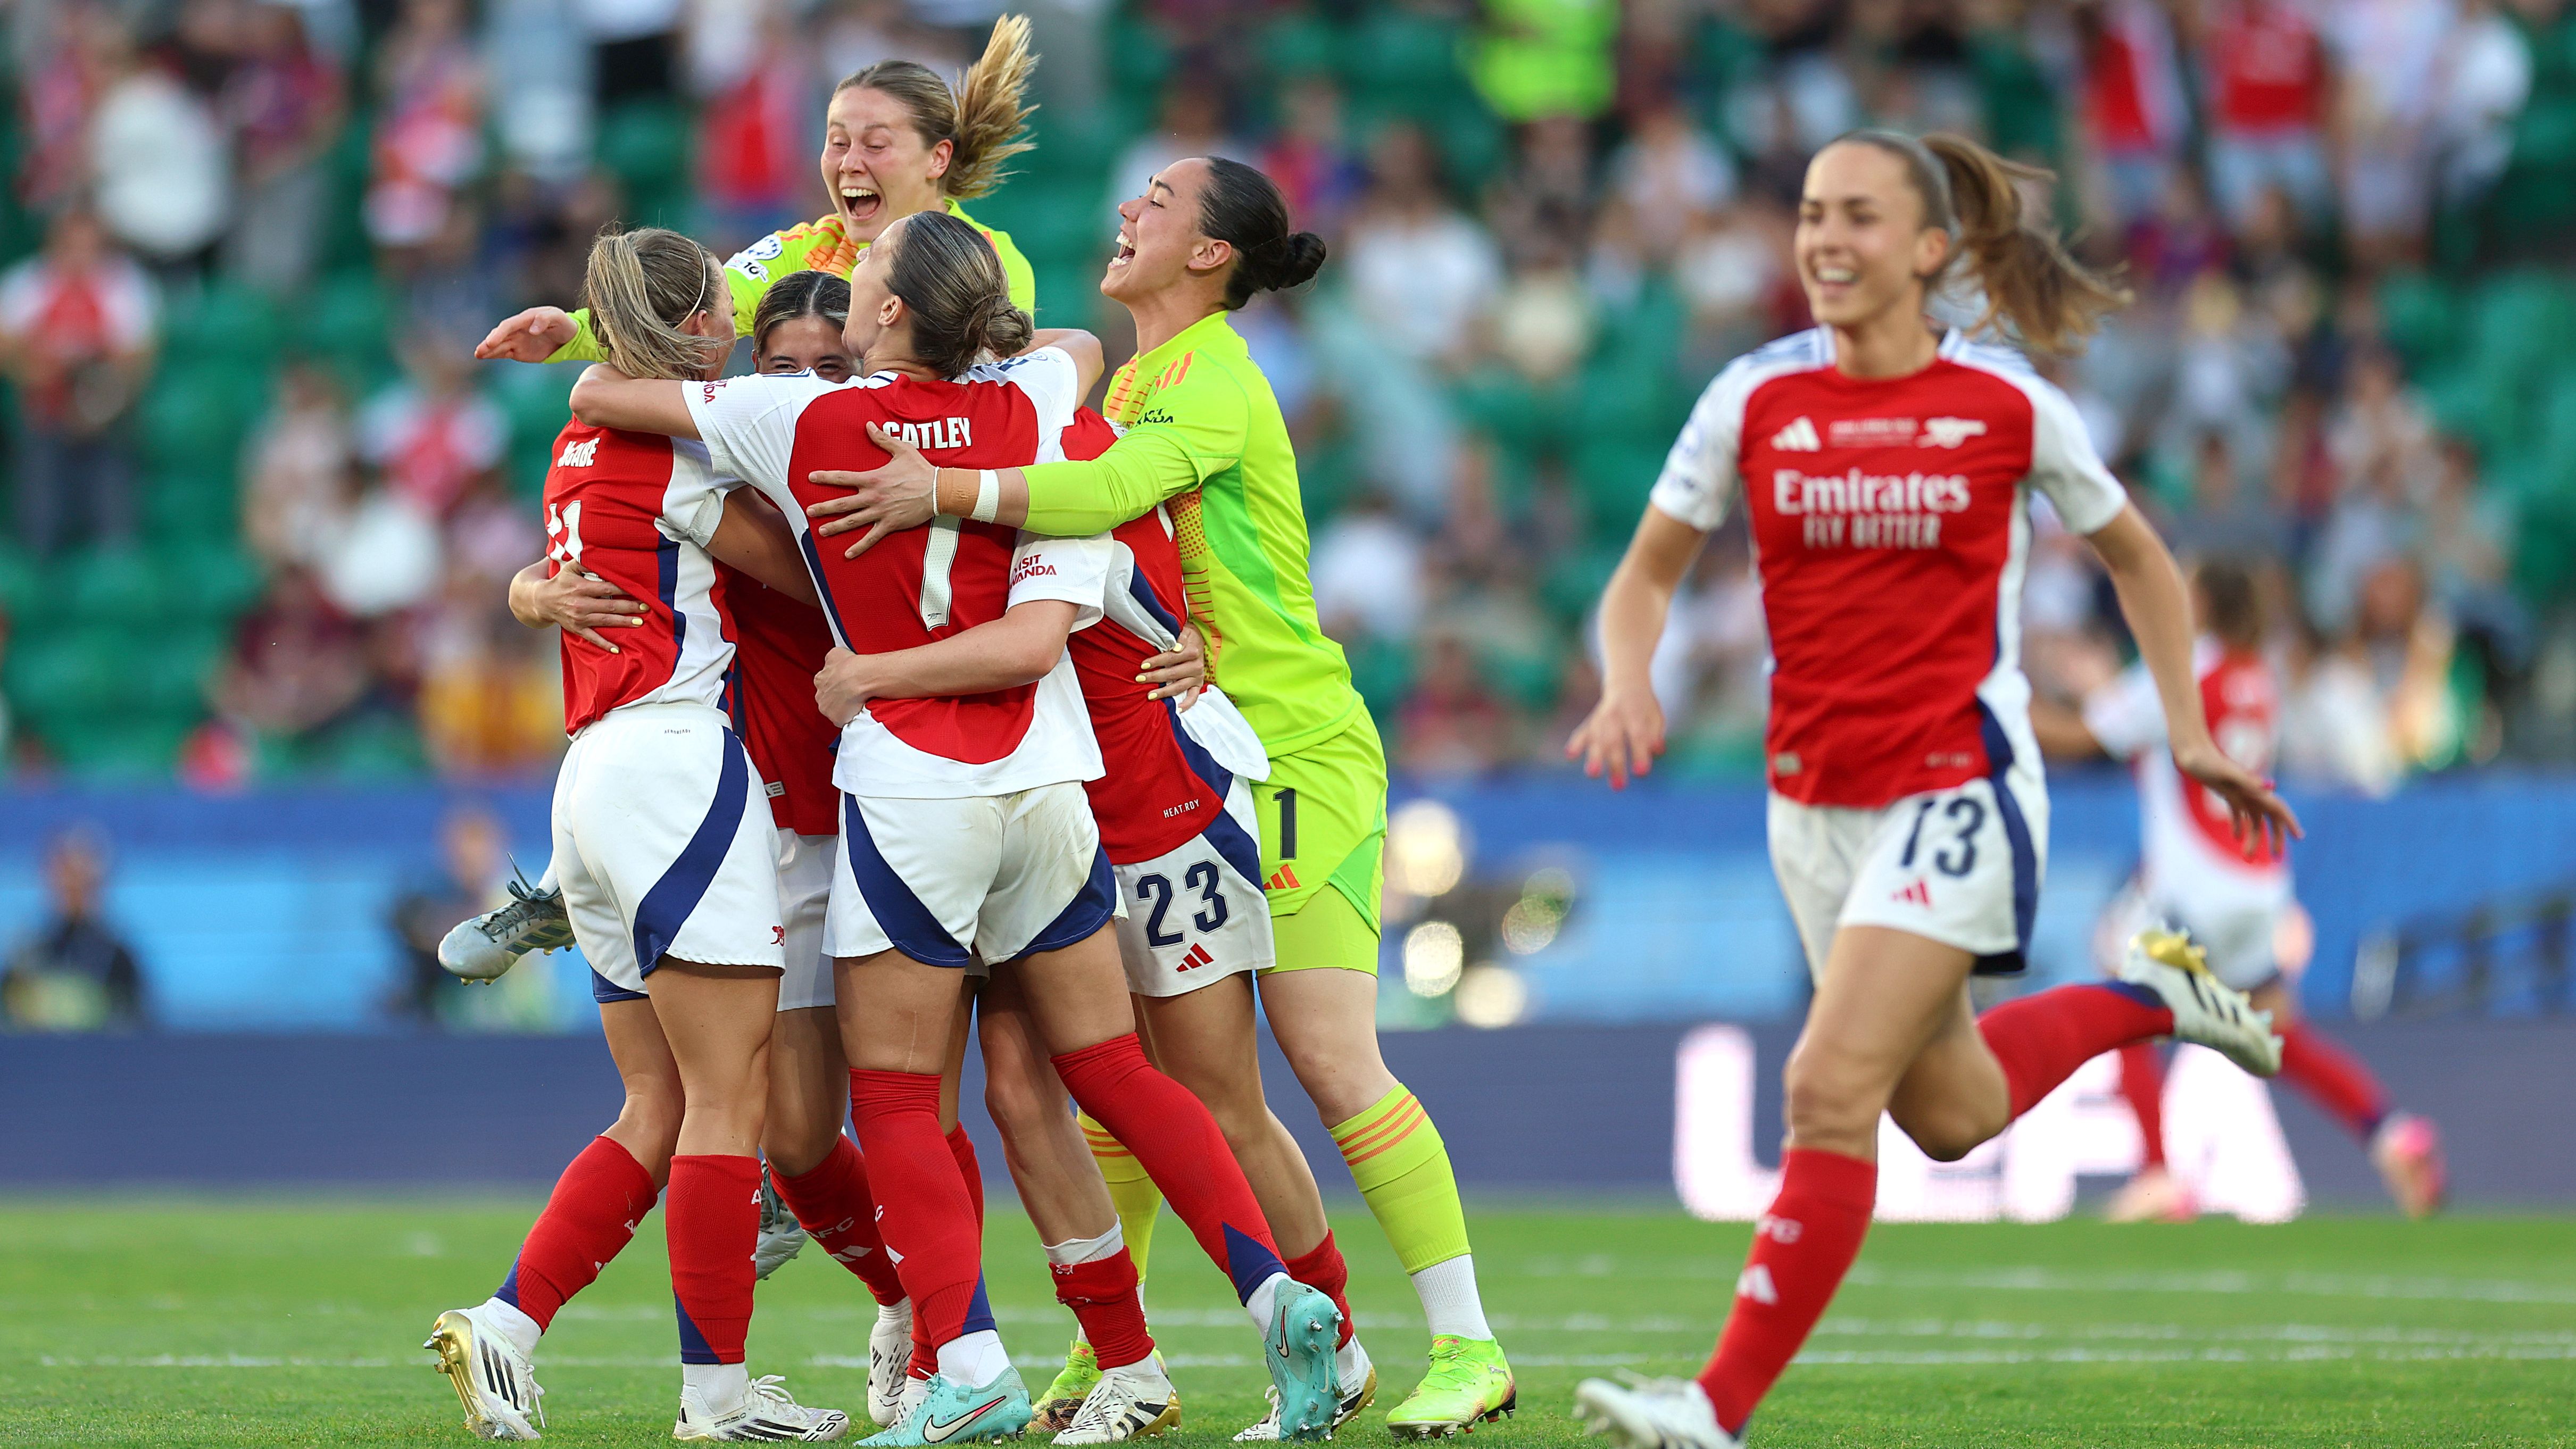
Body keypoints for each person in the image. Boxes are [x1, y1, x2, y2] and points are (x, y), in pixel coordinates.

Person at [1558, 130, 2304, 1449]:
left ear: (1926, 250)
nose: (1823, 240)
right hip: (1812, 803)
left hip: (1960, 780)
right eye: (1805, 214)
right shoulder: (1750, 398)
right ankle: (2162, 997)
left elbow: (2137, 559)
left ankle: (1710, 1410)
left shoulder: (2005, 405)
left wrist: (2182, 729)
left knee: (1824, 1089)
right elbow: (1642, 576)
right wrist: (1627, 676)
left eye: (1855, 215)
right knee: (1948, 1114)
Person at [565, 209, 1347, 1447]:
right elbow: (1075, 348)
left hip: (912, 794)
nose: (857, 266)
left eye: (871, 268)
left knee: (894, 1097)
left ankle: (966, 1364)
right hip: (1047, 785)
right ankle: (1277, 1297)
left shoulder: (800, 420)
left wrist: (604, 336)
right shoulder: (1031, 411)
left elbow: (617, 394)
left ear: (887, 314)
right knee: (1112, 1071)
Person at [802, 156, 1517, 1441]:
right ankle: (1141, 1353)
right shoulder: (1129, 377)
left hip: (1286, 751)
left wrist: (946, 487)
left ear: (1209, 254)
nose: (1128, 208)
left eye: (1161, 202)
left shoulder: (1217, 378)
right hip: (1180, 745)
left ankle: (1462, 1344)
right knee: (1147, 1072)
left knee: (1321, 1057)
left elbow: (1107, 494)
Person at [424, 226, 846, 1445]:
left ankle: (504, 1328)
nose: (731, 316)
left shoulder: (576, 444)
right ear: (698, 327)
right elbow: (806, 579)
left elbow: (561, 557)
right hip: (673, 764)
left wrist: (524, 590)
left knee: (653, 1105)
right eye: (719, 304)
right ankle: (716, 1403)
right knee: (732, 1096)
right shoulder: (676, 448)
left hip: (587, 786)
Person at [2031, 557, 2445, 1221]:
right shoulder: (2258, 675)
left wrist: (2001, 708)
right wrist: (2104, 689)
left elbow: (2090, 738)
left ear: (2202, 603)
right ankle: (2392, 1132)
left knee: (2121, 994)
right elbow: (2152, 729)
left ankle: (2159, 1172)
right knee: (2276, 1033)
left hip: (2194, 885)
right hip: (2256, 884)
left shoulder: (2184, 668)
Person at [475, 14, 1040, 365]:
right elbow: (696, 307)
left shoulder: (990, 262)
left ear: (937, 158)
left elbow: (993, 401)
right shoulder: (806, 251)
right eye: (837, 141)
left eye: (876, 144)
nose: (849, 163)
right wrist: (574, 334)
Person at [2, 828, 146, 1031]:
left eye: (82, 879)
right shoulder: (27, 957)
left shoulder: (119, 960)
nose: (72, 888)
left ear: (99, 884)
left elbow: (135, 1027)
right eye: (65, 877)